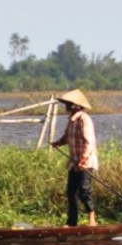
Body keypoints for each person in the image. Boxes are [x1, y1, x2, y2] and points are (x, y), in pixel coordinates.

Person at [50, 89, 98, 226]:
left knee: (84, 191)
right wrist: (58, 143)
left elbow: (89, 142)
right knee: (71, 193)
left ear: (76, 105)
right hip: (74, 163)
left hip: (86, 162)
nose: (66, 106)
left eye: (69, 104)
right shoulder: (71, 120)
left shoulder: (84, 119)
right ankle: (72, 223)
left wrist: (82, 160)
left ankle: (92, 220)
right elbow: (67, 137)